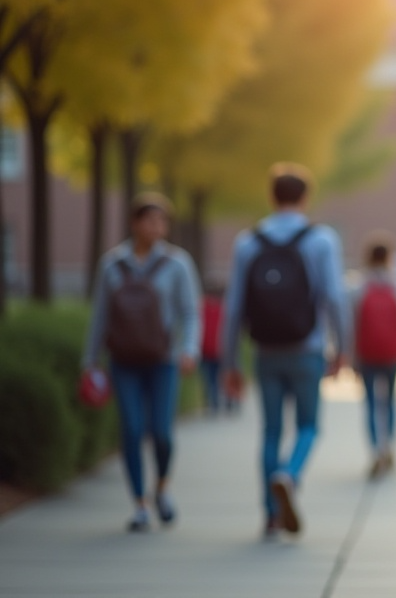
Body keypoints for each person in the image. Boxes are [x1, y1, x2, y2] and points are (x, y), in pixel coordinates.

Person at [220, 163, 352, 538]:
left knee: (271, 431)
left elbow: (233, 306)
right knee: (309, 426)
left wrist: (229, 361)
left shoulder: (248, 241)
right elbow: (334, 297)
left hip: (265, 349)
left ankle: (270, 515)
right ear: (305, 197)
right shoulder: (321, 240)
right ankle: (290, 475)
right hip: (307, 346)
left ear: (271, 196)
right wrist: (342, 347)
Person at [82, 192, 202, 532]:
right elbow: (100, 316)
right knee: (131, 430)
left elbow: (190, 312)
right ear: (134, 223)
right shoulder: (112, 265)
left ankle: (162, 486)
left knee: (161, 432)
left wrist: (189, 348)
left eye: (162, 221)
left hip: (163, 360)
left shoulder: (178, 264)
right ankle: (139, 504)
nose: (156, 227)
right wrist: (90, 361)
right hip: (123, 361)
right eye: (150, 220)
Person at [349, 232, 396, 479]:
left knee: (370, 403)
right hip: (392, 353)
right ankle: (388, 446)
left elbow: (351, 325)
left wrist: (350, 356)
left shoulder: (357, 286)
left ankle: (375, 451)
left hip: (366, 354)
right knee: (390, 401)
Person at [199, 282, 228, 415]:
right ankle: (215, 402)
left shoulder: (202, 308)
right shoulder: (222, 309)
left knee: (214, 378)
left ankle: (219, 402)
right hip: (212, 351)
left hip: (213, 350)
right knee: (212, 379)